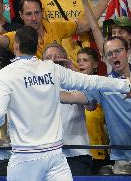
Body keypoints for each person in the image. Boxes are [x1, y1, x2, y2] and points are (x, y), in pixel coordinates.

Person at [0, 26, 131, 180]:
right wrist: (127, 84)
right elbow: (90, 81)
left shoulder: (6, 74)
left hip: (25, 158)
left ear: (15, 46)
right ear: (37, 45)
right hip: (55, 157)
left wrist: (2, 119)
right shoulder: (52, 69)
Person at [62, 36, 131, 175]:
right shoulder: (104, 84)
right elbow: (72, 97)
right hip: (123, 159)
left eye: (118, 51)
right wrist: (44, 89)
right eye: (109, 54)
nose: (114, 56)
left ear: (127, 51)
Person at [0, 0, 92, 60]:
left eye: (37, 13)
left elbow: (83, 25)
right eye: (29, 14)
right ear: (21, 15)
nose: (34, 18)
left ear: (42, 12)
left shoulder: (56, 27)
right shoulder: (19, 36)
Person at [42, 43, 93, 175]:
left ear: (65, 60)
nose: (52, 61)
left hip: (77, 155)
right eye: (48, 58)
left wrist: (73, 71)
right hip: (47, 156)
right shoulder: (35, 88)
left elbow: (91, 105)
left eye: (57, 57)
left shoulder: (75, 83)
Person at [77, 47, 111, 174]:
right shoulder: (71, 86)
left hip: (99, 153)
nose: (81, 63)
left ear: (95, 64)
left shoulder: (101, 86)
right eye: (78, 60)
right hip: (79, 151)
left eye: (85, 60)